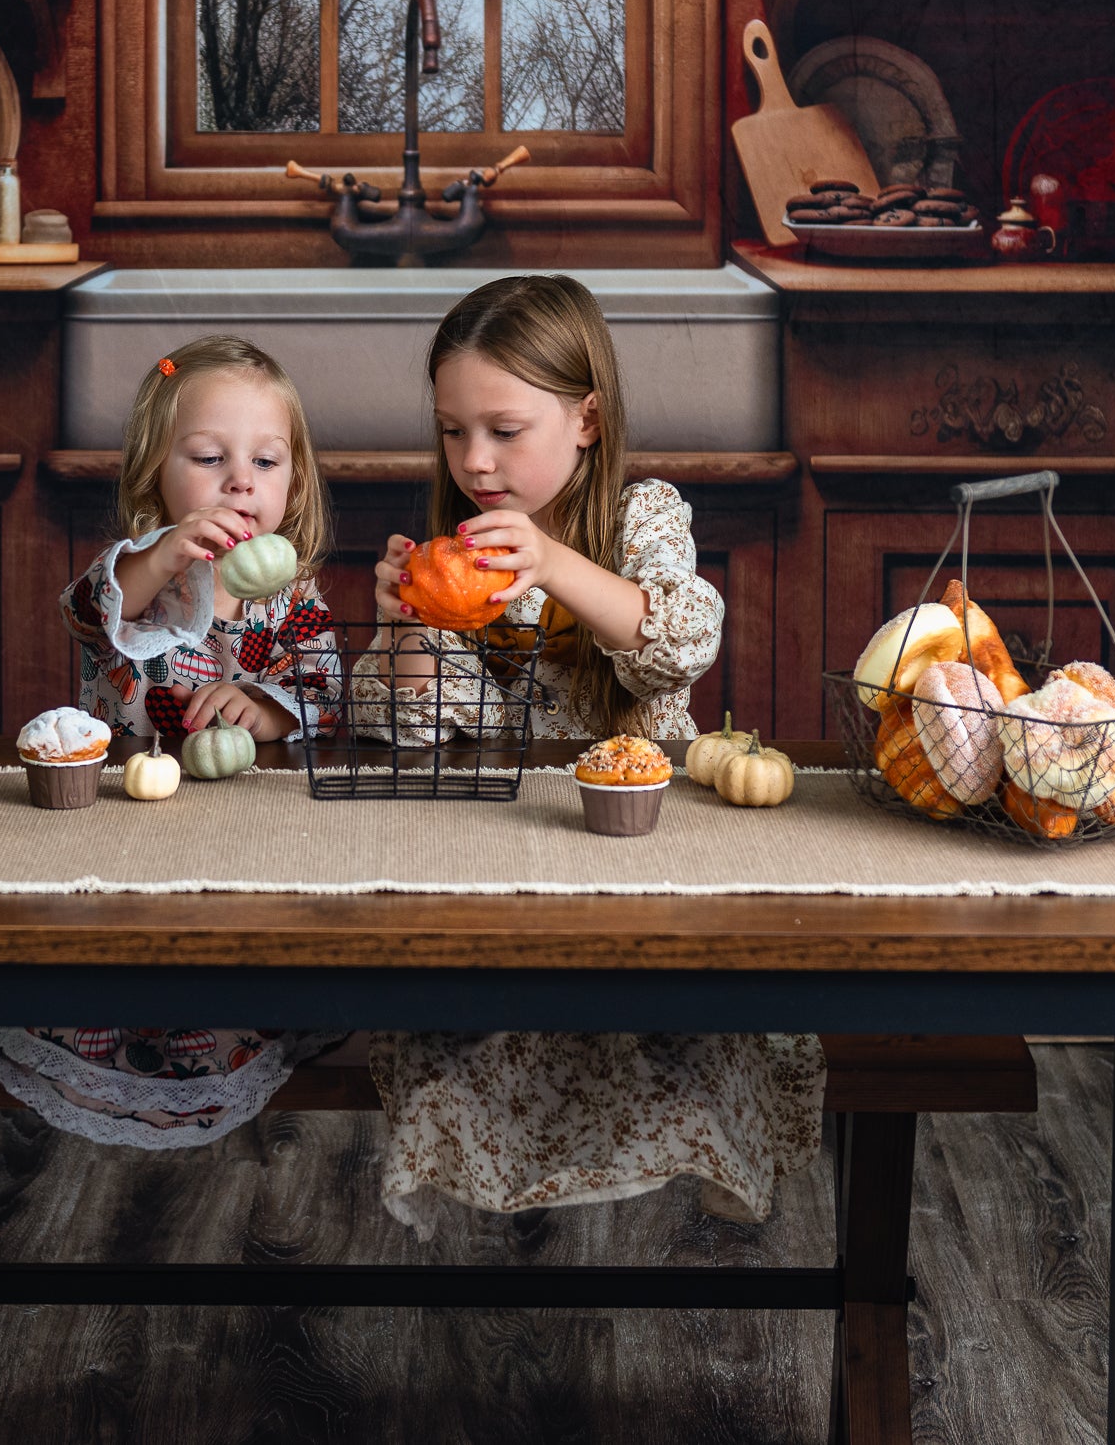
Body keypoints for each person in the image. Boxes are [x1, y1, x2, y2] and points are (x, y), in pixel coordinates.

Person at [352, 274, 825, 1236]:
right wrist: (402, 628)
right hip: (505, 864)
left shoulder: (642, 518)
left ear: (588, 420)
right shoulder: (458, 556)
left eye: (504, 429)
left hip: (647, 858)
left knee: (671, 1035)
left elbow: (681, 639)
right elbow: (414, 723)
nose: (475, 461)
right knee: (476, 1033)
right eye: (452, 431)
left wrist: (553, 563)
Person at [0, 335, 343, 1142]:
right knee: (129, 969)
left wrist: (265, 709)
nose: (240, 480)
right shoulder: (143, 575)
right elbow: (90, 610)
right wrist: (163, 554)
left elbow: (322, 693)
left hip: (248, 848)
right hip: (128, 832)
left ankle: (228, 1047)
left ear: (293, 481)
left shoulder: (290, 596)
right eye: (208, 456)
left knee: (236, 978)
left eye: (267, 461)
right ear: (155, 469)